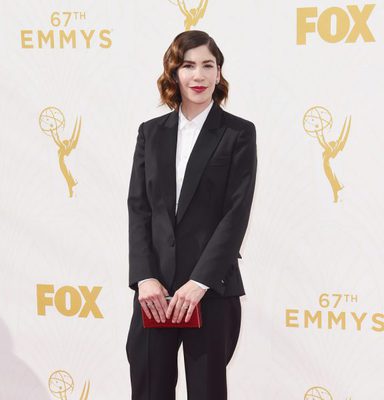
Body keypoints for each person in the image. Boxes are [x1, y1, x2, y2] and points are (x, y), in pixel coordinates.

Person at [126, 30, 257, 400]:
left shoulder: (238, 134)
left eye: (207, 66)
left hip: (211, 292)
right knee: (149, 390)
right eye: (188, 65)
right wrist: (145, 277)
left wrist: (200, 282)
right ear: (174, 73)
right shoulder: (150, 133)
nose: (197, 76)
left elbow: (236, 213)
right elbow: (139, 208)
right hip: (156, 293)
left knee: (206, 392)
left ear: (219, 74)